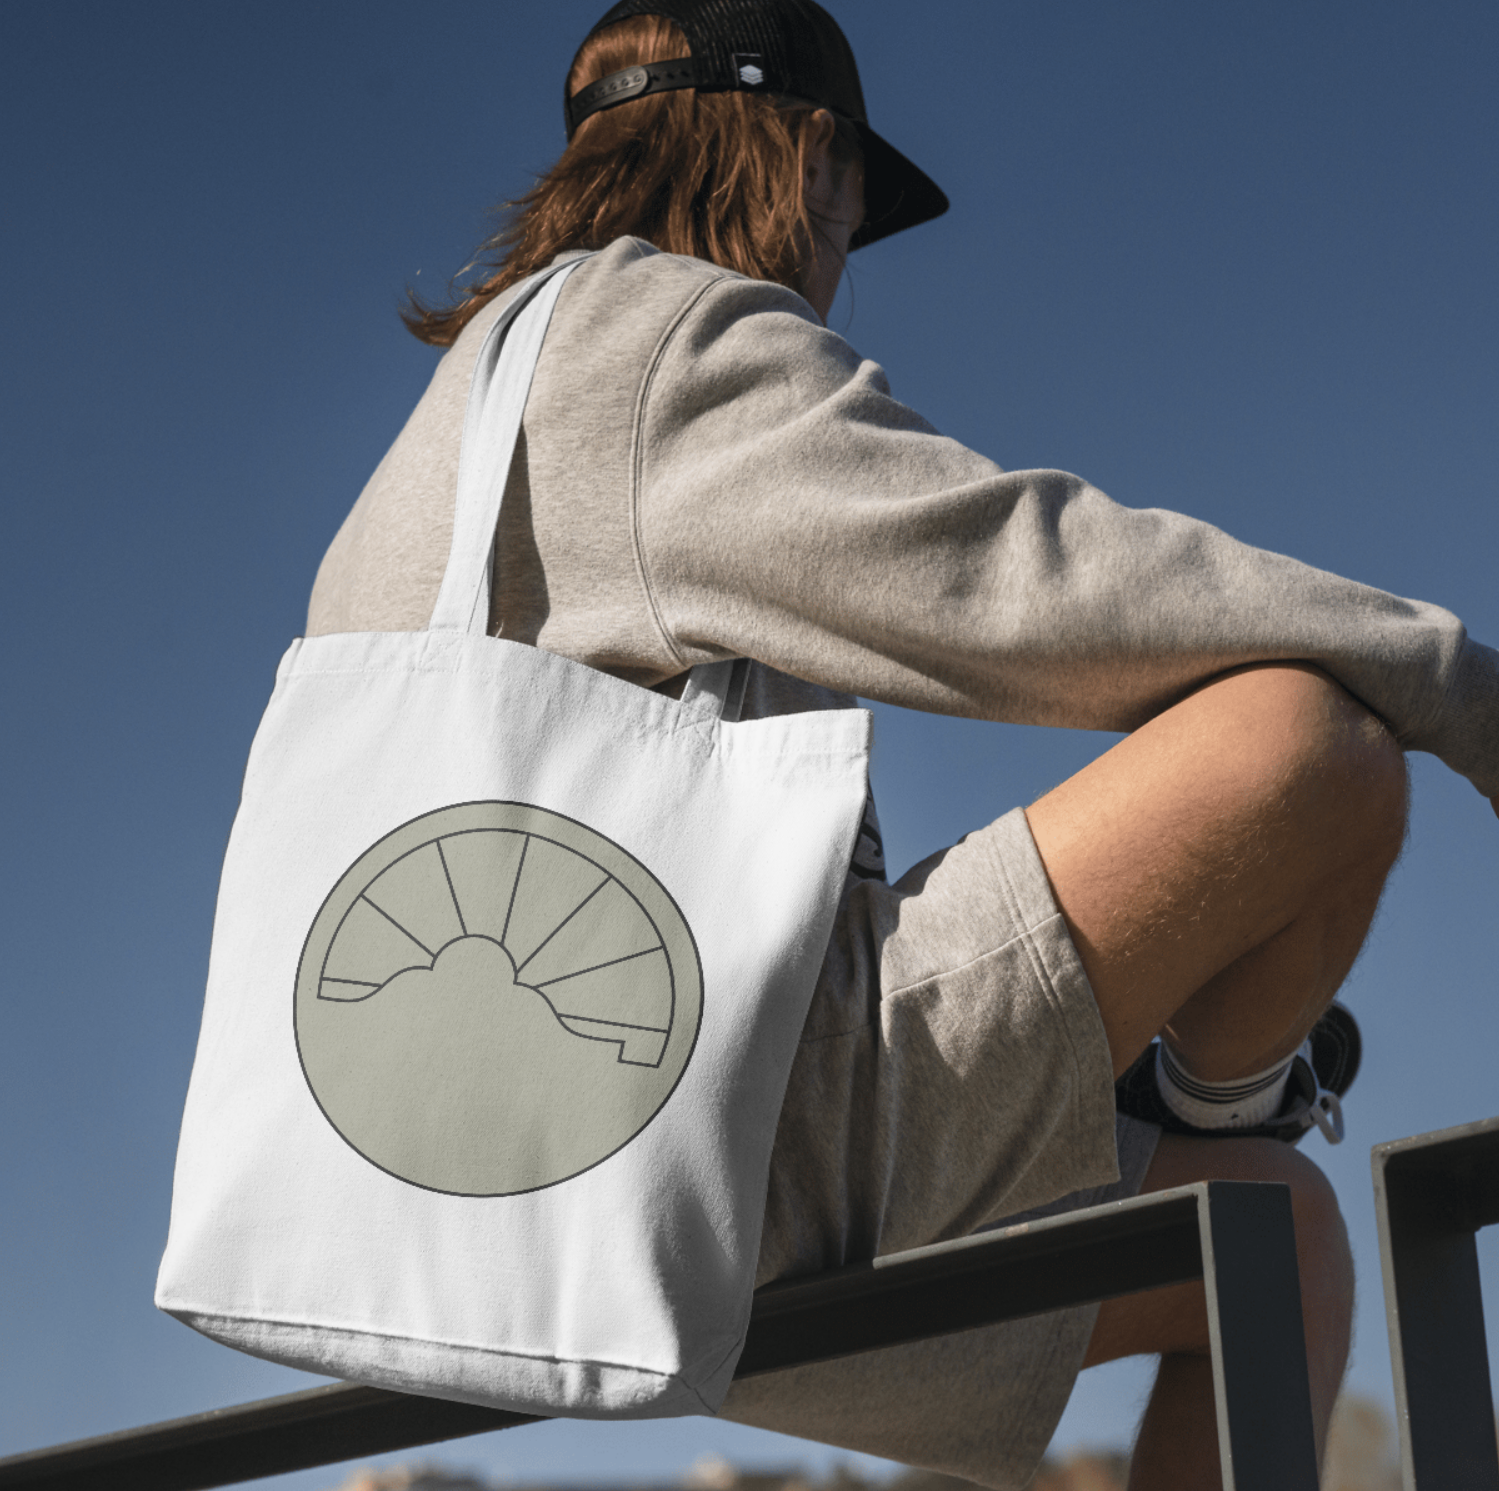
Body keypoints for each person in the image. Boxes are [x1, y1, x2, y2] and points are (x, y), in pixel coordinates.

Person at [306, 2, 1497, 1486]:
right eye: (855, 207)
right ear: (814, 159)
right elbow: (1021, 583)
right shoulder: (662, 344)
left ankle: (1223, 1114)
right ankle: (1223, 1091)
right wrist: (1466, 693)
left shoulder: (438, 435)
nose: (841, 259)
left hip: (485, 1197)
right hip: (724, 1148)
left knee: (1275, 1234)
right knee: (1312, 744)